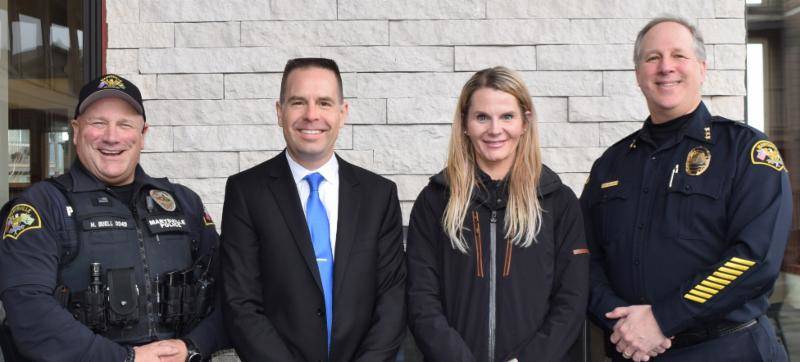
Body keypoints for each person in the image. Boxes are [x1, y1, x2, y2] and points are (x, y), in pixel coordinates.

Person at [581, 16, 792, 362]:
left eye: (679, 56)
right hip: (632, 351)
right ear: (638, 75)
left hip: (727, 350)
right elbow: (583, 256)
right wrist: (620, 319)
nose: (666, 67)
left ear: (702, 68)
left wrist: (664, 319)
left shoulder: (745, 151)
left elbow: (756, 257)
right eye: (652, 58)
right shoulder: (611, 164)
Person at [0, 74, 227, 361]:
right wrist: (125, 359)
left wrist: (193, 346)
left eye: (125, 124)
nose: (111, 136)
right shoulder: (42, 206)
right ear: (76, 129)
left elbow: (232, 293)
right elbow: (28, 311)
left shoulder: (184, 203)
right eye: (98, 123)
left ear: (142, 135)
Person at [220, 57, 406, 362]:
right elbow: (240, 303)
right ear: (279, 112)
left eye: (324, 102)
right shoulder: (246, 192)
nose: (311, 115)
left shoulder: (378, 195)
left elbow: (392, 300)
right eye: (297, 102)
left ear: (342, 113)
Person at [406, 66, 590, 362]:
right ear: (465, 123)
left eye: (507, 116)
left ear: (525, 122)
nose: (495, 130)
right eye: (482, 117)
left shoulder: (558, 201)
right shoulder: (435, 201)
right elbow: (421, 300)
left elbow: (572, 299)